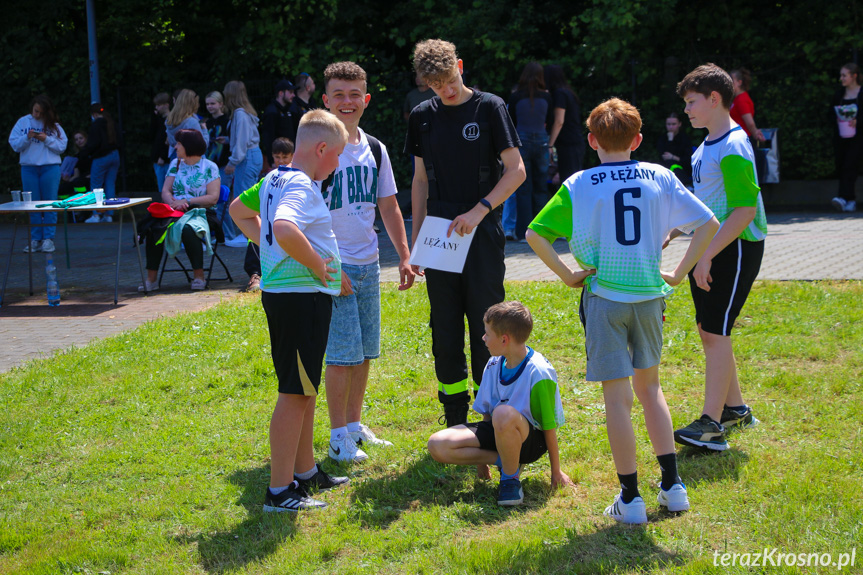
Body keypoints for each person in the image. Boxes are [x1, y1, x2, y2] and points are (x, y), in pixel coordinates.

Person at [526, 97, 719, 524]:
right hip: (650, 296)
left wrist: (566, 274)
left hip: (604, 298)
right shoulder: (660, 176)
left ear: (592, 140)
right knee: (651, 390)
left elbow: (535, 233)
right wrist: (680, 273)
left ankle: (629, 497)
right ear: (639, 139)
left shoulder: (579, 183)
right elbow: (709, 223)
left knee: (618, 398)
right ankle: (673, 487)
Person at [229, 110, 350, 512]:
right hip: (301, 298)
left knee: (305, 387)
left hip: (291, 295)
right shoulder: (301, 184)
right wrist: (320, 266)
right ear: (321, 149)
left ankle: (304, 472)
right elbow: (283, 228)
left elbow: (238, 212)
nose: (335, 167)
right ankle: (279, 491)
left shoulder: (275, 176)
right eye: (336, 157)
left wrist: (269, 252)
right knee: (295, 393)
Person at [405, 39, 526, 427]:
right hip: (439, 235)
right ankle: (455, 417)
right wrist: (417, 242)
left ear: (460, 64)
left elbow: (516, 170)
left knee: (487, 323)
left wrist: (479, 210)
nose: (446, 89)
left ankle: (490, 410)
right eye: (436, 85)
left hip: (482, 230)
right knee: (444, 327)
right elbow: (420, 180)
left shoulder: (490, 107)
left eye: (450, 79)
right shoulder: (422, 116)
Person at [319, 61, 415, 462]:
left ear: (366, 99)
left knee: (364, 353)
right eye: (338, 94)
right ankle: (337, 435)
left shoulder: (375, 148)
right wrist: (325, 264)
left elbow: (390, 206)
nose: (346, 101)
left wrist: (405, 256)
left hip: (369, 263)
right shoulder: (318, 147)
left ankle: (355, 426)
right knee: (341, 355)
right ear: (325, 100)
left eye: (354, 93)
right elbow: (300, 212)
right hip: (330, 267)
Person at [672, 64, 767, 452]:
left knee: (715, 332)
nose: (687, 110)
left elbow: (744, 211)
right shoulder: (706, 145)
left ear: (715, 99)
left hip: (736, 247)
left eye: (692, 102)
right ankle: (735, 409)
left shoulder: (733, 145)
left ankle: (711, 426)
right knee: (711, 330)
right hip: (714, 248)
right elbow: (706, 204)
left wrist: (707, 255)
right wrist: (676, 230)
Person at [427, 301, 574, 506]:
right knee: (437, 445)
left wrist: (556, 472)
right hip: (499, 429)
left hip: (530, 443)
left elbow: (549, 426)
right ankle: (505, 461)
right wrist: (481, 462)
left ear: (504, 339)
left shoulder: (539, 372)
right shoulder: (494, 363)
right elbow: (487, 416)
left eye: (487, 334)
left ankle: (510, 479)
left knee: (503, 413)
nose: (483, 338)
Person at [138, 129, 220, 292]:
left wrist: (187, 201)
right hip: (175, 211)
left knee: (189, 230)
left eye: (179, 144)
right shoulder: (175, 165)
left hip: (201, 212)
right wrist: (174, 203)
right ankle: (151, 279)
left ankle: (199, 277)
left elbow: (213, 198)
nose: (175, 147)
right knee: (154, 229)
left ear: (189, 146)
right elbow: (165, 192)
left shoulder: (209, 167)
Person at [8, 94, 68, 253]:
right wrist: (27, 138)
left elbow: (62, 146)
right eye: (35, 111)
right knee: (31, 204)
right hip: (29, 167)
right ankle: (35, 239)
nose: (37, 115)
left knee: (50, 203)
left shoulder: (53, 125)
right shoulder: (23, 122)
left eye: (41, 112)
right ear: (32, 108)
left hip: (50, 167)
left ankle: (48, 238)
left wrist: (46, 139)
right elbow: (14, 144)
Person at [503, 61, 554, 241]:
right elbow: (550, 119)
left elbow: (512, 121)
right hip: (541, 140)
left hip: (522, 140)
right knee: (541, 187)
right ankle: (541, 231)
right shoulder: (547, 97)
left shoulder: (516, 96)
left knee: (523, 188)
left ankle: (523, 231)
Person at [239, 137, 295, 293]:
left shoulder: (299, 179)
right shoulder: (267, 180)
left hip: (288, 224)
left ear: (293, 156)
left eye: (285, 157)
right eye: (277, 157)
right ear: (272, 157)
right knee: (256, 235)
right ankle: (255, 275)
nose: (281, 161)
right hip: (270, 224)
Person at [223, 80, 263, 245]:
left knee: (244, 198)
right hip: (253, 155)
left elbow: (241, 142)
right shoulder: (246, 112)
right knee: (251, 196)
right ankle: (253, 236)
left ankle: (251, 237)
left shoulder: (240, 113)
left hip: (246, 157)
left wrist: (232, 162)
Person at [830, 63, 862, 212]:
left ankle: (844, 198)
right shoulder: (839, 95)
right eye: (841, 75)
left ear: (854, 76)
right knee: (843, 166)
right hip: (842, 137)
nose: (841, 78)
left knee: (850, 165)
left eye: (844, 75)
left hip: (858, 137)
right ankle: (848, 200)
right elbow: (831, 113)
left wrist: (858, 121)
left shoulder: (861, 93)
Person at [544, 64, 585, 182]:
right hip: (573, 142)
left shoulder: (559, 94)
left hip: (569, 144)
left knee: (569, 181)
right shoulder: (568, 92)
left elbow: (559, 121)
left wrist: (550, 145)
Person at [82, 103, 120, 223]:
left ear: (94, 114)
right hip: (114, 155)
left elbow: (93, 144)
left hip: (101, 157)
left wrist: (86, 153)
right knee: (110, 184)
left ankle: (96, 214)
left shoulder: (95, 126)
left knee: (96, 187)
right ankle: (109, 215)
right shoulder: (111, 123)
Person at [729, 68, 767, 183]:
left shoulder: (741, 100)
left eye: (732, 81)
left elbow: (749, 122)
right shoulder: (738, 99)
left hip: (743, 141)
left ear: (739, 82)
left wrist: (755, 133)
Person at [260, 79, 295, 172]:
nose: (293, 95)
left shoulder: (288, 110)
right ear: (280, 93)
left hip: (288, 157)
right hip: (279, 160)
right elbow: (268, 137)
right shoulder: (271, 112)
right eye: (290, 92)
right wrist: (272, 161)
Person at [165, 89, 209, 160]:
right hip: (194, 161)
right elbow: (202, 146)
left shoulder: (169, 120)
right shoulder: (191, 122)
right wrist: (204, 130)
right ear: (193, 103)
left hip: (178, 158)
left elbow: (172, 142)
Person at [656, 112, 693, 187]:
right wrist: (670, 140)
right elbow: (663, 156)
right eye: (668, 124)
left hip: (683, 168)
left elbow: (688, 159)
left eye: (673, 124)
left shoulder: (685, 139)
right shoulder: (663, 139)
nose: (671, 127)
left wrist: (673, 157)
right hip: (666, 167)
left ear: (679, 124)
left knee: (673, 164)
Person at [204, 91, 231, 188]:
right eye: (207, 104)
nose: (209, 106)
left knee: (222, 192)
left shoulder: (227, 121)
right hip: (209, 163)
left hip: (224, 162)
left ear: (220, 104)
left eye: (212, 103)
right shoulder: (207, 122)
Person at [59, 130, 92, 199]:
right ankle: (66, 207)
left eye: (81, 138)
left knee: (79, 183)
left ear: (86, 138)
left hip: (90, 178)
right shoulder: (77, 156)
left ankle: (84, 203)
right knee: (62, 188)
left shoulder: (92, 152)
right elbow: (76, 174)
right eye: (76, 139)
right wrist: (67, 180)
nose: (79, 141)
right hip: (80, 178)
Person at [151, 93, 172, 195]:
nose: (157, 108)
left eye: (159, 105)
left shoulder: (170, 120)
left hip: (164, 159)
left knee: (165, 188)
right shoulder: (160, 120)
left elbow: (167, 140)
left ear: (166, 105)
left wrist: (163, 156)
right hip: (159, 157)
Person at [288, 73, 317, 142]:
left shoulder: (312, 104)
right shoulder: (293, 108)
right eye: (313, 83)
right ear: (308, 88)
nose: (314, 85)